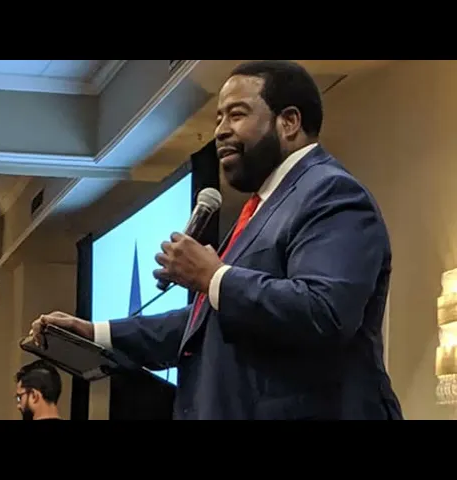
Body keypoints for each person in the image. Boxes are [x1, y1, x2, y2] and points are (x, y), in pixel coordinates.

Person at [29, 60, 403, 420]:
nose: (220, 130)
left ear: (289, 122)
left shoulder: (331, 192)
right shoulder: (263, 206)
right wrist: (98, 333)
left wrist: (214, 277)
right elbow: (207, 324)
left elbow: (324, 312)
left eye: (236, 115)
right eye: (218, 118)